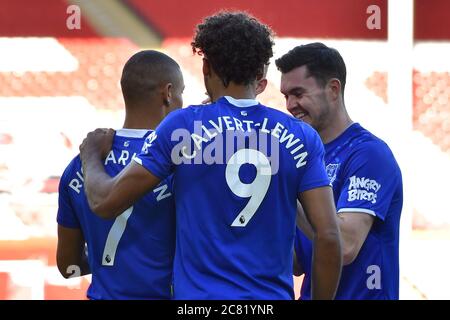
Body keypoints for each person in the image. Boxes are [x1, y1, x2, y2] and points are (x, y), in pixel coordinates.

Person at [79, 12, 341, 300]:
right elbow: (328, 236)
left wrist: (91, 155)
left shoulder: (182, 127)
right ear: (261, 74)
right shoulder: (302, 137)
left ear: (206, 68)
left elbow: (104, 202)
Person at [276, 42, 403, 299]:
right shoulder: (304, 157)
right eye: (286, 96)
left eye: (298, 93)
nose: (290, 105)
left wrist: (285, 185)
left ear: (333, 89)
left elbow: (344, 246)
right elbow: (298, 262)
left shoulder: (369, 154)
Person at [56, 50, 184, 299]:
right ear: (168, 93)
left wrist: (112, 263)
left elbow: (67, 267)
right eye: (181, 92)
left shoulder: (80, 165)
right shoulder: (179, 163)